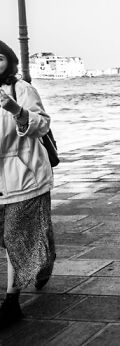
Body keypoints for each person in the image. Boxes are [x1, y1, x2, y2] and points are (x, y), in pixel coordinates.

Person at [0, 40, 56, 329]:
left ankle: (11, 303)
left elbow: (43, 124)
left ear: (9, 61)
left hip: (24, 178)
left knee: (15, 241)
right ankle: (46, 253)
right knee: (15, 238)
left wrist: (17, 111)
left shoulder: (22, 90)